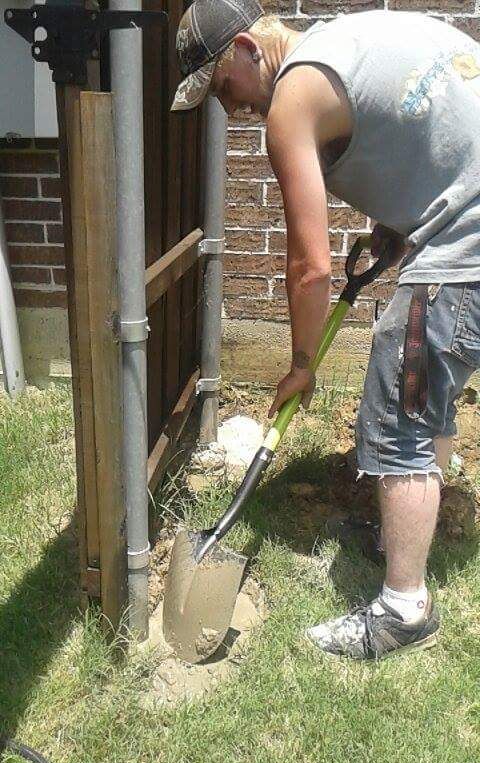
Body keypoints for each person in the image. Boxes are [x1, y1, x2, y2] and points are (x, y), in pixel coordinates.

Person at [171, 0, 480, 659]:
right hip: (464, 214)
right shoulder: (340, 46)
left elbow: (309, 267)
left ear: (248, 49)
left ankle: (404, 609)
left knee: (399, 401)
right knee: (426, 391)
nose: (229, 107)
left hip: (470, 238)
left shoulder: (293, 98)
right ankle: (403, 534)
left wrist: (302, 364)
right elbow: (427, 127)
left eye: (223, 87)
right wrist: (402, 223)